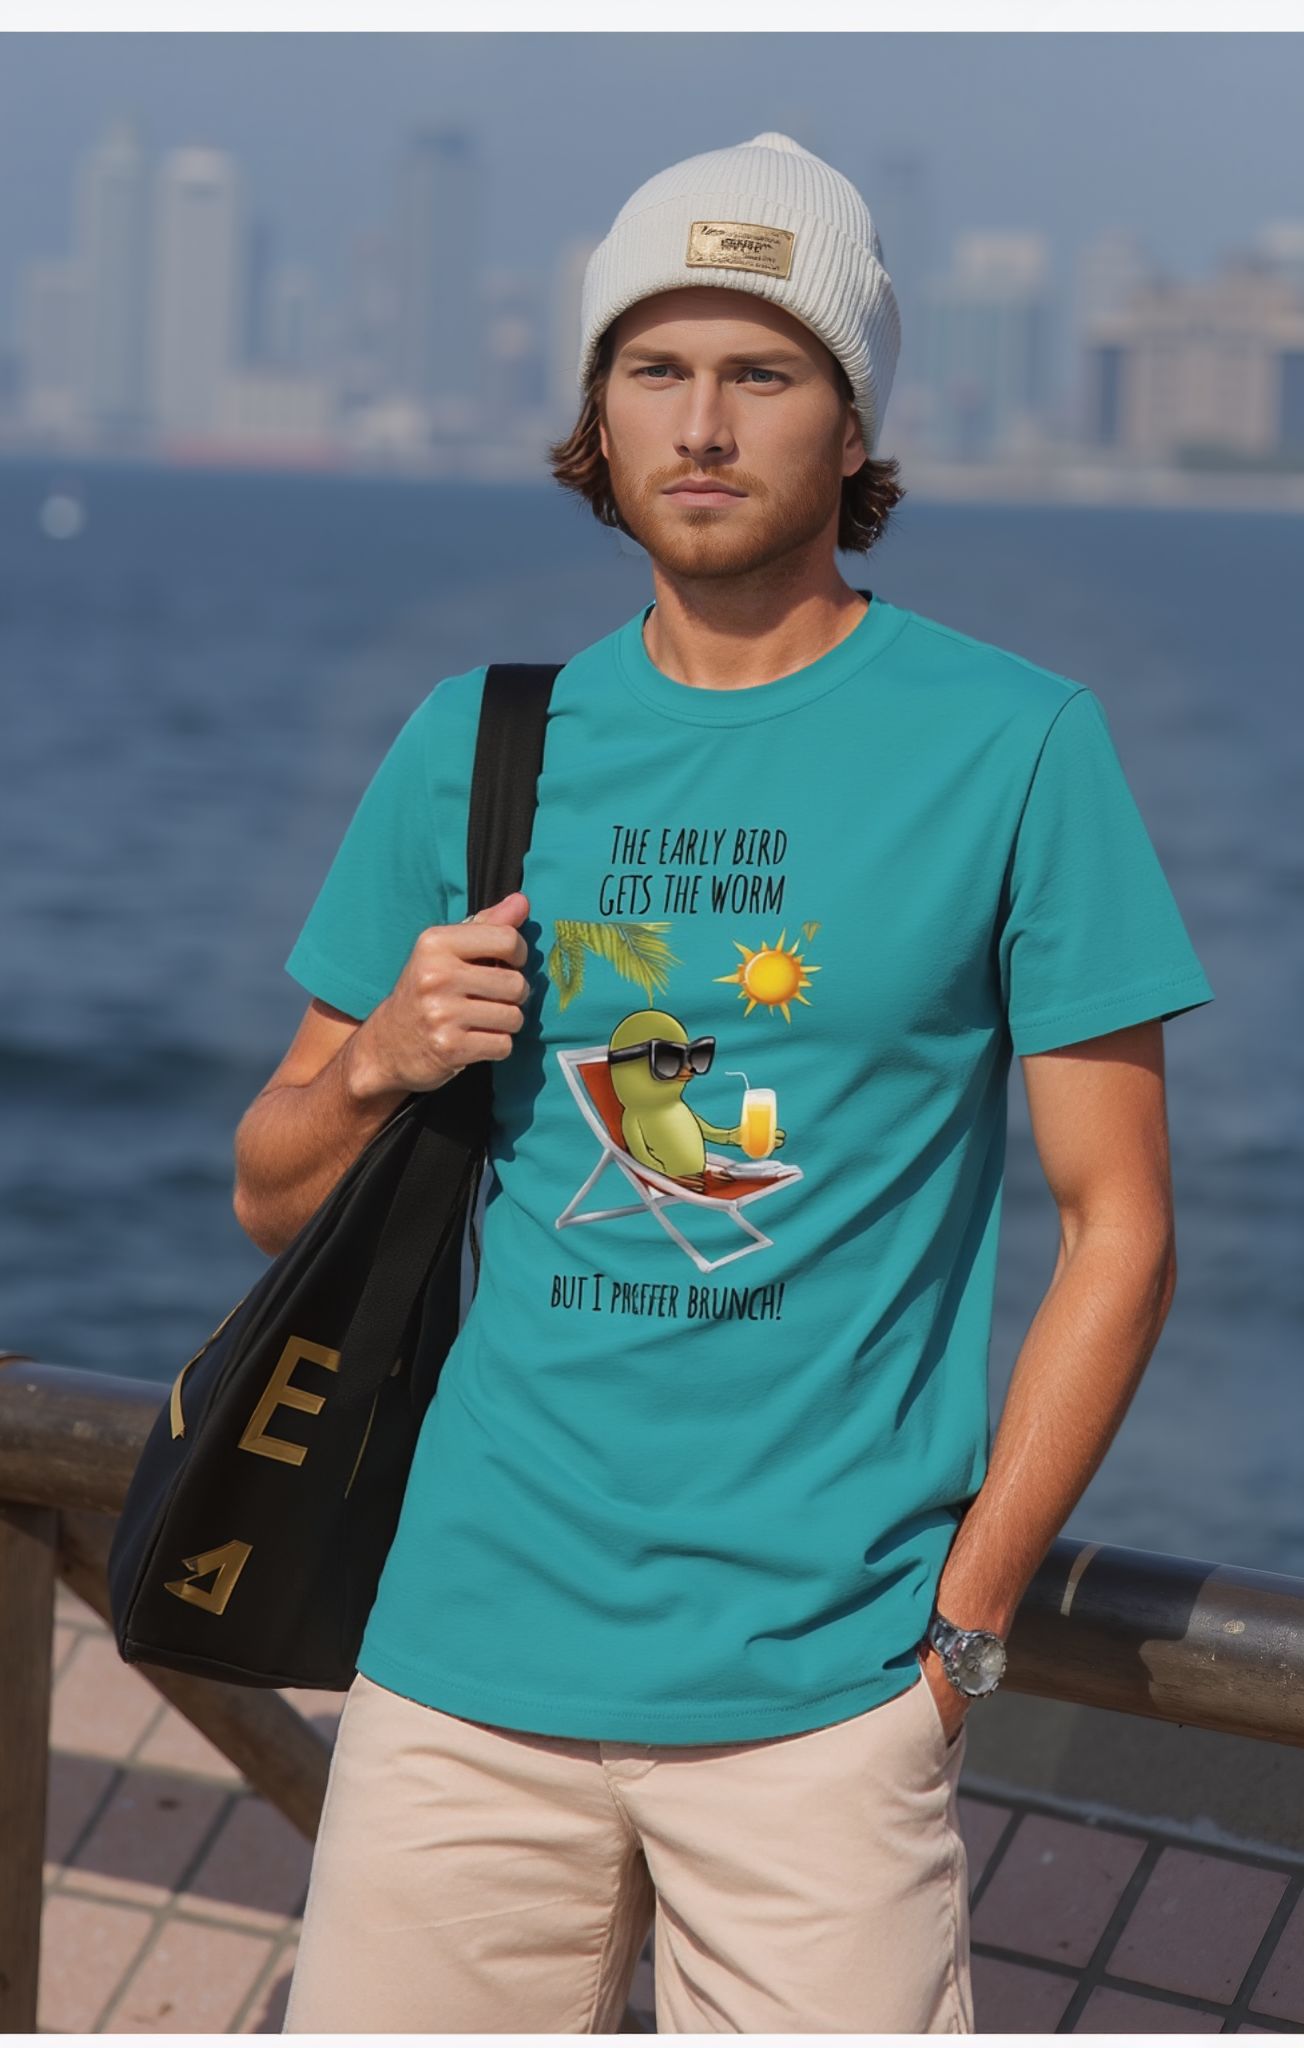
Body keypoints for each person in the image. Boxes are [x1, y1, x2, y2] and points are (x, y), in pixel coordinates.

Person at [235, 132, 1215, 2034]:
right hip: (455, 1671)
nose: (703, 423)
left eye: (763, 374)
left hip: (826, 1701)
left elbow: (1123, 1228)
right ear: (596, 422)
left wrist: (967, 1629)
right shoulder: (481, 742)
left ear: (852, 428)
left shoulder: (1016, 747)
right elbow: (275, 1191)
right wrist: (375, 1060)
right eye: (654, 371)